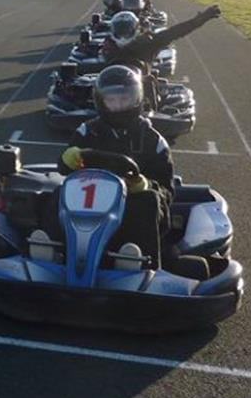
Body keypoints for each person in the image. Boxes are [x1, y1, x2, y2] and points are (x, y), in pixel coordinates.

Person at [55, 65, 174, 266]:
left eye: (124, 99)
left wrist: (143, 185)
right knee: (58, 193)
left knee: (149, 201)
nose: (118, 106)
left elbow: (168, 192)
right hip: (89, 201)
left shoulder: (153, 141)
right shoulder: (87, 132)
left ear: (136, 98)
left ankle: (143, 262)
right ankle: (52, 251)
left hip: (131, 205)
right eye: (112, 100)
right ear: (101, 101)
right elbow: (64, 170)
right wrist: (66, 159)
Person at [101, 5, 221, 73]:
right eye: (120, 31)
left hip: (141, 86)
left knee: (150, 84)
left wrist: (202, 18)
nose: (123, 35)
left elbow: (176, 31)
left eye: (126, 31)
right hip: (110, 88)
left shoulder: (149, 42)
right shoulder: (109, 45)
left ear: (136, 30)